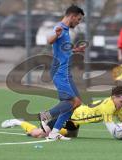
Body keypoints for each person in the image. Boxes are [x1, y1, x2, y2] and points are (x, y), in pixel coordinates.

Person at [1, 81, 122, 141]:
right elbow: (113, 132)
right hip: (69, 116)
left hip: (76, 121)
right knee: (39, 134)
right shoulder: (108, 107)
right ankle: (18, 121)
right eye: (121, 101)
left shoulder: (117, 107)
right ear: (113, 97)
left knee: (70, 135)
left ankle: (45, 126)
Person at [36, 5, 86, 140]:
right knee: (72, 102)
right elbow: (50, 39)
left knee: (76, 102)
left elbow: (63, 48)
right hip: (59, 72)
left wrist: (75, 50)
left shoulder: (66, 30)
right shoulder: (60, 27)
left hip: (65, 72)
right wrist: (55, 34)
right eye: (79, 19)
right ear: (73, 16)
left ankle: (52, 131)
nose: (79, 22)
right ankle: (45, 116)